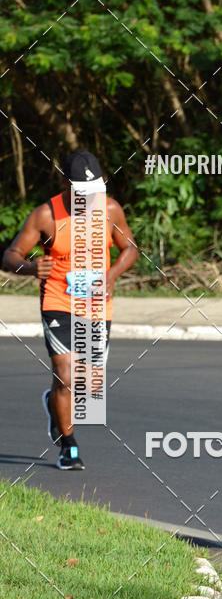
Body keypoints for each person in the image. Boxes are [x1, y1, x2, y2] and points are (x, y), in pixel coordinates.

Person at [2, 150, 138, 469]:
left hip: (96, 304)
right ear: (65, 184)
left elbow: (130, 248)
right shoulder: (45, 215)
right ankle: (68, 445)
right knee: (65, 375)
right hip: (58, 300)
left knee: (88, 386)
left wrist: (111, 275)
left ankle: (53, 404)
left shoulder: (110, 209)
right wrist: (31, 267)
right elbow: (11, 255)